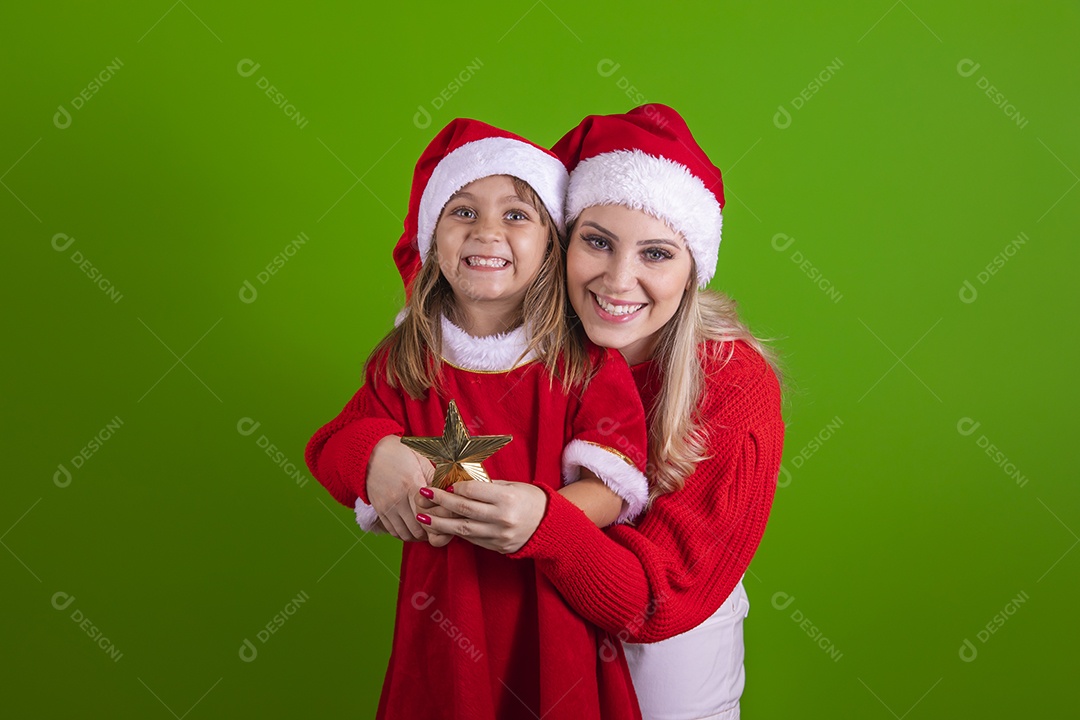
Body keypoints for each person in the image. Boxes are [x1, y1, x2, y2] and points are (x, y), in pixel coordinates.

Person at [415, 104, 785, 720]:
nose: (618, 280)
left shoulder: (731, 384)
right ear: (560, 241)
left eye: (657, 255)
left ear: (694, 268)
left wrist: (544, 524)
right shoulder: (517, 343)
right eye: (597, 242)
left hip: (662, 638)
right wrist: (378, 455)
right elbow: (385, 403)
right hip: (536, 612)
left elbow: (659, 602)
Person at [304, 118, 652, 720]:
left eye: (517, 215)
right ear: (431, 236)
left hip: (552, 618)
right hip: (442, 616)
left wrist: (543, 518)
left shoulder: (584, 363)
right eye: (462, 211)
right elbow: (333, 448)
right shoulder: (406, 359)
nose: (486, 231)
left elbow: (616, 486)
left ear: (553, 245)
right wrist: (373, 456)